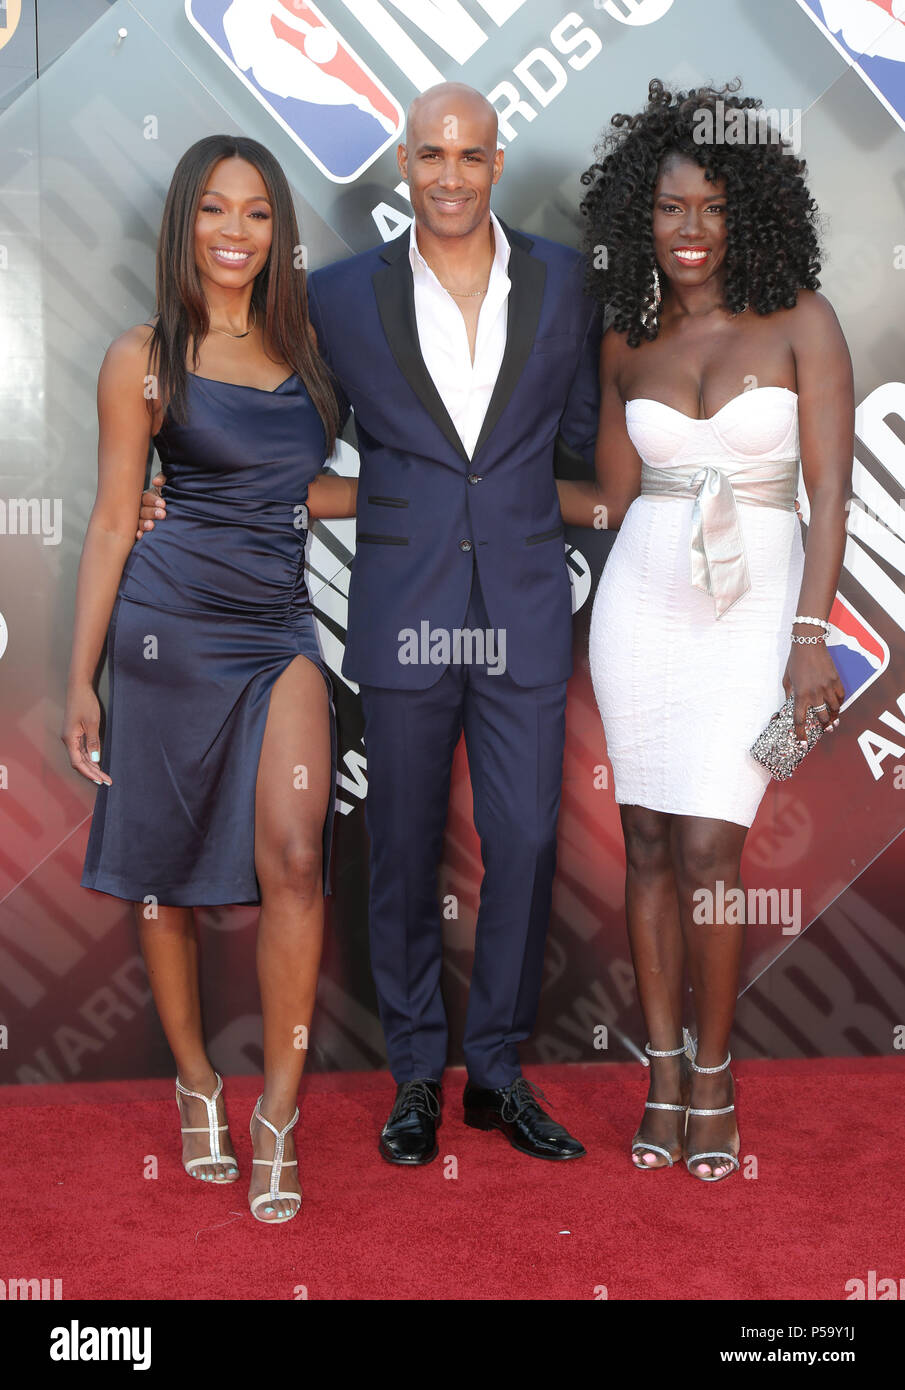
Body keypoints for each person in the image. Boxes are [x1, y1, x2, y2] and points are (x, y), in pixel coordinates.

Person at [139, 83, 600, 1166]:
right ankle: (411, 1072)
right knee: (396, 844)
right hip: (401, 604)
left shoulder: (566, 281)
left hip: (526, 605)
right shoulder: (338, 298)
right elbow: (268, 428)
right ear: (403, 161)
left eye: (469, 155)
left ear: (496, 162)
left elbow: (584, 433)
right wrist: (177, 494)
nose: (449, 173)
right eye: (430, 153)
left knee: (524, 840)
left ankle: (491, 1066)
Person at [556, 79, 853, 1181]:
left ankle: (717, 1075)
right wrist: (471, 489)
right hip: (641, 603)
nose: (687, 232)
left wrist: (810, 634)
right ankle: (662, 1071)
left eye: (709, 209)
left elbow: (831, 492)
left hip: (757, 612)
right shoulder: (625, 337)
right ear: (643, 214)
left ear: (748, 213)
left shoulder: (799, 321)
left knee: (707, 846)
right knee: (640, 841)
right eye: (669, 209)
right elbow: (613, 504)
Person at [63, 134, 349, 1224]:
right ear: (184, 222)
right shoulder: (142, 354)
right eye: (215, 212)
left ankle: (276, 1110)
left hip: (277, 629)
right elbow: (107, 517)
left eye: (259, 214)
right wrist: (83, 676)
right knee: (164, 870)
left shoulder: (309, 346)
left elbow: (297, 486)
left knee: (292, 850)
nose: (236, 233)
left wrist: (389, 499)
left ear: (279, 231)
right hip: (165, 631)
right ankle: (197, 1081)